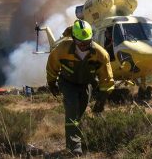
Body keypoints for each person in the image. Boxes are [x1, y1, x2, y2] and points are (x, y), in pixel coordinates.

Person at [46, 19, 115, 156]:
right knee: (72, 110)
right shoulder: (62, 49)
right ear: (73, 38)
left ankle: (79, 138)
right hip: (67, 83)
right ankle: (74, 148)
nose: (83, 45)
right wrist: (52, 83)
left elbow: (107, 78)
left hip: (86, 84)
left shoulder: (100, 54)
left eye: (87, 42)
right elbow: (52, 66)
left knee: (79, 113)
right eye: (80, 42)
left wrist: (102, 98)